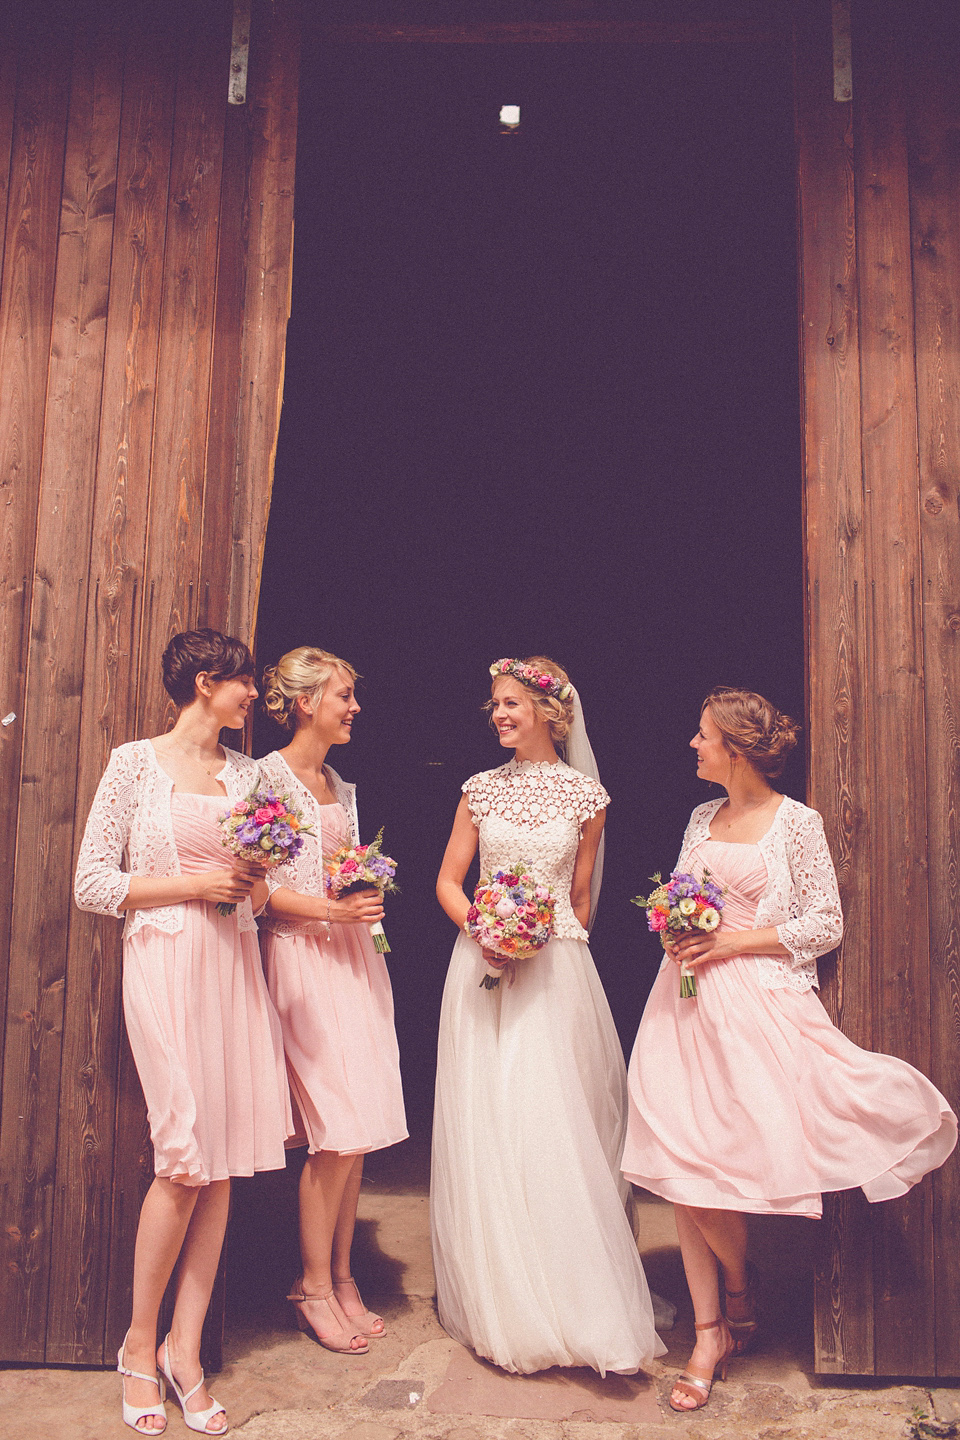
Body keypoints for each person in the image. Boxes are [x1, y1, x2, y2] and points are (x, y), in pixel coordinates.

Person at [622, 686, 958, 1413]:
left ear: (735, 750)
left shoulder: (794, 822)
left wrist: (729, 941)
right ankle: (711, 1330)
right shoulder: (699, 817)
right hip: (680, 1002)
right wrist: (674, 926)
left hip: (756, 1007)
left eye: (702, 735)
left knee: (718, 1166)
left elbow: (823, 921)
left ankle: (739, 1294)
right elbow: (683, 893)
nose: (693, 745)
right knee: (680, 1163)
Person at [74, 630, 292, 1435]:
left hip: (233, 968)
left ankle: (185, 1350)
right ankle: (137, 1345)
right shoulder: (134, 763)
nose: (253, 703)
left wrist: (250, 887)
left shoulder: (249, 776)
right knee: (184, 1156)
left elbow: (261, 899)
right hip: (165, 963)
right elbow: (93, 882)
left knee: (225, 1160)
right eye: (244, 687)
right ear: (207, 683)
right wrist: (194, 884)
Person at [431, 656, 666, 1376]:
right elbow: (448, 880)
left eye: (512, 704)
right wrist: (487, 934)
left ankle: (575, 1290)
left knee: (557, 1121)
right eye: (494, 704)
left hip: (559, 967)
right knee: (491, 1120)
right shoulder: (478, 790)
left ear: (549, 711)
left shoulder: (587, 797)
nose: (499, 715)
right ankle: (503, 1294)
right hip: (484, 964)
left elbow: (583, 894)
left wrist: (549, 940)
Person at [258, 647, 407, 1355]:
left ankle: (344, 1277)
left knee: (362, 1128)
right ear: (306, 701)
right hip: (303, 954)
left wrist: (363, 894)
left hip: (353, 956)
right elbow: (255, 890)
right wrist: (327, 908)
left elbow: (341, 871)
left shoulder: (337, 781)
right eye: (344, 696)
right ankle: (310, 1287)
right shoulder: (269, 778)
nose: (354, 708)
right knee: (335, 1130)